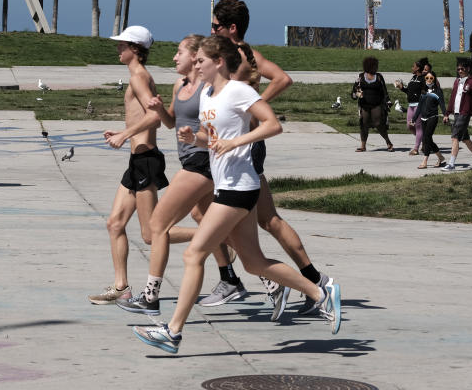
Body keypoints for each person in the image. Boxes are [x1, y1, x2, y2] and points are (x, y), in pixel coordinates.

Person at [131, 36, 340, 354]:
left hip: (239, 188)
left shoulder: (239, 91)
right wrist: (195, 138)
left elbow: (272, 125)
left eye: (201, 60)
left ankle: (172, 332)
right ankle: (321, 293)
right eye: (196, 60)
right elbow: (213, 138)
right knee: (254, 264)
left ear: (218, 62)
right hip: (225, 185)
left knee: (193, 255)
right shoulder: (208, 95)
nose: (196, 65)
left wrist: (238, 142)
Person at [203, 0, 333, 319]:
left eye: (216, 25)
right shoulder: (245, 56)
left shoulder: (243, 58)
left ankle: (262, 280)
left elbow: (283, 78)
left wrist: (254, 103)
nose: (211, 29)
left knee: (232, 216)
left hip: (244, 146)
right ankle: (313, 281)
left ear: (231, 28)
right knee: (267, 219)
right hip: (240, 146)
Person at [116, 35, 247, 315]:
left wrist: (202, 138)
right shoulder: (180, 85)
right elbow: (171, 121)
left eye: (180, 53)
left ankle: (150, 297)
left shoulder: (210, 88)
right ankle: (242, 279)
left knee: (157, 226)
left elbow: (223, 124)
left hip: (202, 162)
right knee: (205, 221)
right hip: (190, 158)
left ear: (195, 57)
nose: (175, 58)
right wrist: (159, 109)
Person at [88, 25, 167, 305]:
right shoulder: (136, 76)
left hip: (146, 161)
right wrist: (123, 131)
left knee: (149, 235)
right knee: (114, 224)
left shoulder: (139, 78)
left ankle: (217, 237)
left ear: (135, 49)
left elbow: (155, 117)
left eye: (122, 44)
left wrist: (125, 134)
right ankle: (121, 287)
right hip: (137, 160)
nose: (118, 48)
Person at [441, 58, 472, 171]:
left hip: (465, 113)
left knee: (455, 137)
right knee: (465, 139)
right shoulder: (457, 81)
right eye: (458, 69)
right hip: (456, 113)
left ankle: (451, 164)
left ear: (468, 69)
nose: (460, 71)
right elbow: (452, 98)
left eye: (462, 69)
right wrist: (447, 113)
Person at [352, 56, 394, 152]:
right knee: (364, 124)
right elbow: (354, 91)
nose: (377, 67)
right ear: (370, 66)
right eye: (375, 66)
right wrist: (357, 94)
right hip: (364, 105)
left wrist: (388, 101)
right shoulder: (361, 77)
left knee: (378, 123)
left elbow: (384, 91)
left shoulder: (379, 77)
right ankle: (363, 146)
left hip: (377, 104)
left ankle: (388, 142)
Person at [410, 70, 447, 169]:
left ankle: (424, 161)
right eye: (427, 78)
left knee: (426, 138)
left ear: (434, 79)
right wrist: (414, 118)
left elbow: (442, 104)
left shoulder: (438, 91)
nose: (429, 80)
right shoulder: (423, 91)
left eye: (431, 78)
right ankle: (440, 157)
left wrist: (445, 115)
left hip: (433, 117)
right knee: (428, 139)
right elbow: (420, 106)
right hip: (423, 118)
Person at [395, 57, 429, 155]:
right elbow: (409, 91)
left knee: (418, 127)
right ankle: (423, 140)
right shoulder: (413, 78)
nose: (412, 68)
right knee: (409, 126)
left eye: (413, 66)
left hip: (419, 105)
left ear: (418, 68)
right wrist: (402, 88)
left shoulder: (423, 79)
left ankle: (416, 149)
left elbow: (426, 91)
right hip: (411, 105)